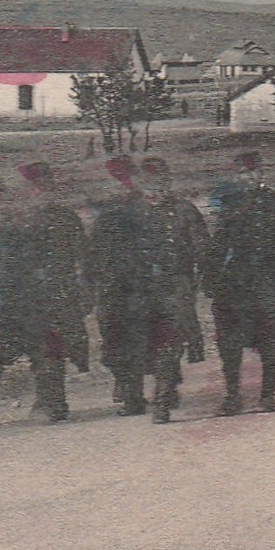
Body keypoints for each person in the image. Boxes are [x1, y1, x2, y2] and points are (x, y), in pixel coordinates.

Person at [0, 162, 90, 426]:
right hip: (8, 300)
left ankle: (50, 402)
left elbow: (82, 258)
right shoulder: (0, 224)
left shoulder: (62, 218)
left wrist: (80, 291)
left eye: (44, 185)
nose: (39, 190)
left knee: (48, 348)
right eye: (33, 186)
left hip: (48, 299)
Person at [210, 151, 275, 416]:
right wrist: (211, 278)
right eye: (242, 173)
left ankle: (267, 395)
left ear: (262, 173)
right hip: (235, 280)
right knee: (228, 342)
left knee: (270, 341)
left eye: (253, 172)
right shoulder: (230, 206)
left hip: (268, 276)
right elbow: (218, 246)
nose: (249, 177)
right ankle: (232, 396)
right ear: (236, 176)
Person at [88, 157, 185, 422]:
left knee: (164, 340)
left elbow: (191, 247)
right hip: (124, 290)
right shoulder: (113, 215)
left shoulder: (178, 212)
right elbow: (95, 254)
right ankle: (133, 396)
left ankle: (163, 396)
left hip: (161, 288)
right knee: (124, 341)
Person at [142, 157, 213, 370]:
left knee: (179, 319)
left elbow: (202, 246)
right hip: (145, 281)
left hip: (178, 276)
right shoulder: (134, 213)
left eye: (161, 184)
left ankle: (188, 350)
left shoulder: (184, 210)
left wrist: (204, 274)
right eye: (150, 185)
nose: (156, 191)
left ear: (168, 183)